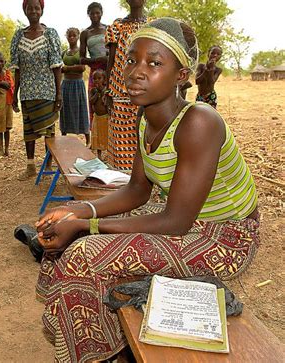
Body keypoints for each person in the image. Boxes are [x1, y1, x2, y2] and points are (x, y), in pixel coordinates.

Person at [30, 18, 259, 362]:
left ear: (181, 75)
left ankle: (98, 353)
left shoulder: (199, 122)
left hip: (225, 236)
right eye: (132, 61)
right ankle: (109, 340)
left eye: (154, 63)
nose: (136, 72)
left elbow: (176, 222)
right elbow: (137, 191)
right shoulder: (146, 118)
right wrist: (79, 211)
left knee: (84, 253)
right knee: (70, 237)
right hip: (187, 223)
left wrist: (86, 226)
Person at [10, 0, 63, 180]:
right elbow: (17, 68)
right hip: (27, 91)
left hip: (47, 91)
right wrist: (14, 93)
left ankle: (49, 164)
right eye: (29, 8)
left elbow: (57, 67)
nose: (33, 11)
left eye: (36, 8)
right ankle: (31, 166)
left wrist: (58, 94)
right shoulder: (18, 36)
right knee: (29, 131)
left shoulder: (50, 34)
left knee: (49, 131)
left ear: (41, 10)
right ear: (25, 10)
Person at [105, 0, 149, 171]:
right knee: (119, 141)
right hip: (119, 91)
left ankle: (140, 181)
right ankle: (120, 182)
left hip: (145, 91)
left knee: (142, 137)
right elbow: (111, 60)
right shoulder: (117, 27)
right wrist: (109, 91)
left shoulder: (152, 26)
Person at [60, 28, 90, 145]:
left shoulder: (81, 51)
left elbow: (82, 68)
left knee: (81, 109)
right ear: (66, 37)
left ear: (78, 37)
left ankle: (88, 138)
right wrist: (71, 68)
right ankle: (64, 135)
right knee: (65, 109)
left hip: (78, 84)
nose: (71, 38)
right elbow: (60, 69)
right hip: (66, 84)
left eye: (74, 35)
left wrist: (67, 68)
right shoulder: (63, 53)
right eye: (69, 35)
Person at [80, 2, 108, 124]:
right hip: (95, 73)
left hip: (109, 69)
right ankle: (96, 136)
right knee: (94, 102)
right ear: (88, 15)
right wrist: (95, 60)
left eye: (98, 13)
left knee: (108, 100)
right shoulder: (85, 33)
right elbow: (81, 58)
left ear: (102, 13)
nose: (95, 15)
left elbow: (114, 50)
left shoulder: (108, 29)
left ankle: (111, 137)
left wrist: (106, 59)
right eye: (92, 13)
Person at [89, 69, 108, 159]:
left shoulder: (106, 91)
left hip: (106, 118)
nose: (96, 80)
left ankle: (108, 154)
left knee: (106, 135)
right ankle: (99, 155)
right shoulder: (93, 91)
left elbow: (106, 103)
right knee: (97, 136)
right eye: (94, 79)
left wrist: (103, 93)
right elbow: (91, 101)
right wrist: (97, 93)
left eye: (99, 78)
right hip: (97, 117)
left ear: (104, 80)